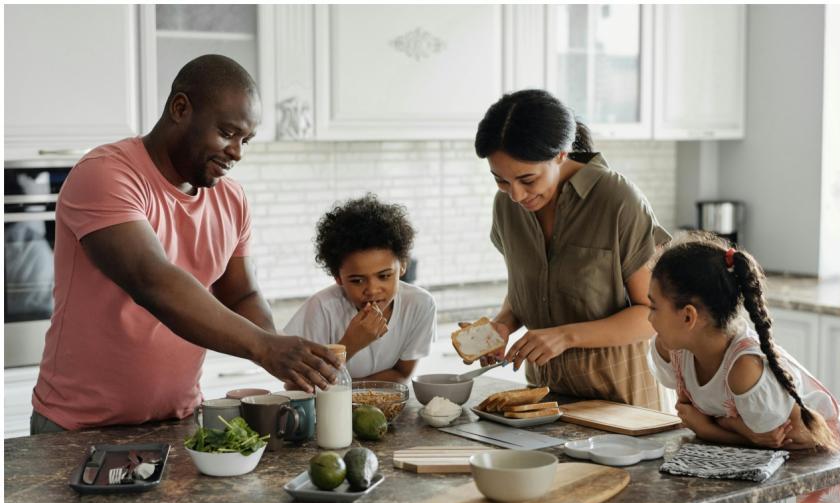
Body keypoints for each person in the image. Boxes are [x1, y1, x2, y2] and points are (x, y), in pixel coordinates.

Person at [31, 55, 340, 434]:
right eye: (227, 133)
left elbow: (242, 294)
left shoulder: (231, 199)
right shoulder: (105, 174)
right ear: (180, 108)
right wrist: (264, 347)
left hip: (178, 421)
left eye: (246, 140)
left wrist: (281, 354)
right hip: (78, 428)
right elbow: (152, 281)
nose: (237, 152)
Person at [648, 233, 840, 503]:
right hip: (763, 458)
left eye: (654, 306)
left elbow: (775, 442)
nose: (648, 316)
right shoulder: (674, 349)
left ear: (688, 317)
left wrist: (709, 429)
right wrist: (736, 430)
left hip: (815, 459)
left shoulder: (744, 368)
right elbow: (754, 438)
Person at [472, 89, 671, 409]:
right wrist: (503, 324)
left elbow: (653, 314)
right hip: (544, 401)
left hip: (621, 402)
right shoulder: (506, 207)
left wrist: (564, 336)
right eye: (501, 181)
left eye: (528, 179)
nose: (516, 196)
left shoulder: (617, 200)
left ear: (561, 155)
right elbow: (529, 289)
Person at [284, 194, 436, 383]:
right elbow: (294, 385)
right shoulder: (322, 308)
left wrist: (350, 390)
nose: (372, 290)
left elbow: (402, 374)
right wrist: (351, 343)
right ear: (338, 277)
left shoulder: (420, 304)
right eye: (357, 280)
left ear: (403, 265)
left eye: (384, 276)